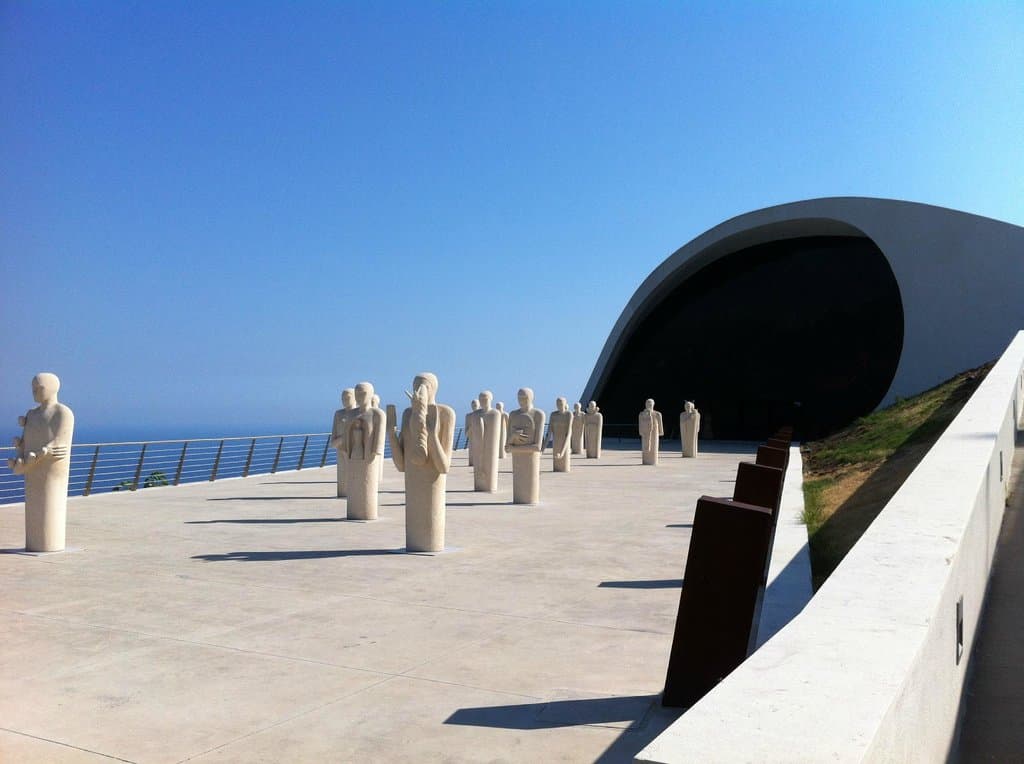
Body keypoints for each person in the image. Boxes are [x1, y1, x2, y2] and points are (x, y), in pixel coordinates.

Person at [388, 372, 455, 552]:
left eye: (424, 386)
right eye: (416, 386)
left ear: (434, 389)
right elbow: (401, 465)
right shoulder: (408, 414)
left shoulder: (445, 414)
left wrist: (431, 434)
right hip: (413, 483)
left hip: (432, 485)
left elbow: (443, 466)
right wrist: (391, 435)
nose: (419, 391)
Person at [8, 373, 75, 552]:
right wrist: (21, 454)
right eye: (33, 388)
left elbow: (61, 439)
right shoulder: (31, 414)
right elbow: (25, 440)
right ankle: (36, 544)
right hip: (33, 468)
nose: (35, 391)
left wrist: (45, 451)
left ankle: (49, 545)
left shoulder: (63, 412)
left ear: (53, 388)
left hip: (51, 468)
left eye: (40, 388)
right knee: (34, 506)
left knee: (50, 505)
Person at [344, 382, 386, 520]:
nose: (359, 396)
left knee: (367, 486)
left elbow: (379, 438)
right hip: (353, 455)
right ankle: (354, 511)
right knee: (354, 485)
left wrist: (376, 451)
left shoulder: (377, 414)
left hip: (369, 458)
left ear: (371, 394)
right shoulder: (350, 414)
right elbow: (345, 437)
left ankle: (367, 512)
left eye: (363, 393)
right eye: (357, 393)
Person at [505, 387, 546, 504]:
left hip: (531, 461)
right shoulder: (513, 415)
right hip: (517, 461)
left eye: (524, 398)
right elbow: (507, 447)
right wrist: (513, 437)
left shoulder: (538, 414)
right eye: (519, 398)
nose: (521, 401)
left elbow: (537, 447)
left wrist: (514, 448)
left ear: (532, 398)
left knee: (529, 493)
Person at [330, 388, 358, 497]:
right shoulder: (339, 414)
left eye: (348, 397)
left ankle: (353, 493)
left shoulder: (360, 413)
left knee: (354, 473)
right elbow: (334, 434)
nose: (344, 400)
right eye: (343, 398)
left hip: (355, 449)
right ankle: (344, 492)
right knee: (343, 473)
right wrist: (339, 440)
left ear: (355, 398)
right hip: (340, 447)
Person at [549, 397, 573, 472]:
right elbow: (549, 433)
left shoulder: (569, 414)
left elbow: (568, 434)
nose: (559, 405)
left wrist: (562, 452)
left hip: (564, 442)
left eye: (561, 404)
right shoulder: (553, 414)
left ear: (565, 404)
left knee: (564, 466)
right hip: (556, 442)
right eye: (557, 404)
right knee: (557, 464)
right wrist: (542, 449)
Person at [639, 398, 664, 465]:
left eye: (650, 403)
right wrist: (641, 431)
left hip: (654, 432)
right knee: (645, 447)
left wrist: (661, 431)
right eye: (647, 403)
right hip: (645, 432)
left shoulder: (657, 414)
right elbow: (640, 423)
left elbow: (660, 424)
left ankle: (653, 460)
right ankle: (646, 460)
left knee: (654, 446)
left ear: (653, 404)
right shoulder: (641, 414)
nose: (648, 404)